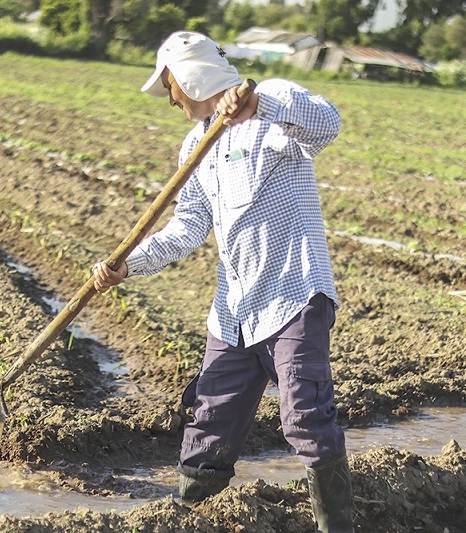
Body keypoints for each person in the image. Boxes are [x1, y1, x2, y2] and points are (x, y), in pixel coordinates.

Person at [91, 30, 354, 532]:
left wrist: (259, 103)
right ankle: (187, 518)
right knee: (209, 420)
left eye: (170, 84)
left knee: (305, 416)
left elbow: (327, 124)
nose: (169, 97)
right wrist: (129, 265)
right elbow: (187, 227)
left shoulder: (272, 107)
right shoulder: (195, 144)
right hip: (233, 311)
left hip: (293, 295)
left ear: (190, 78)